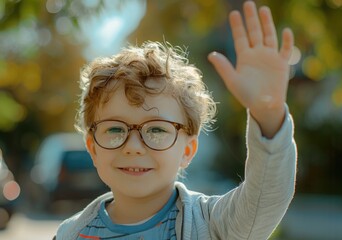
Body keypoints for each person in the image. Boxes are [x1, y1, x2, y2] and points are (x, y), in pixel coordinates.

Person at [54, 1, 297, 239]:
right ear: (93, 147)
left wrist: (268, 114)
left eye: (157, 130)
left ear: (188, 150)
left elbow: (265, 200)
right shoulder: (70, 233)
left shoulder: (213, 224)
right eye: (116, 129)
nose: (133, 147)